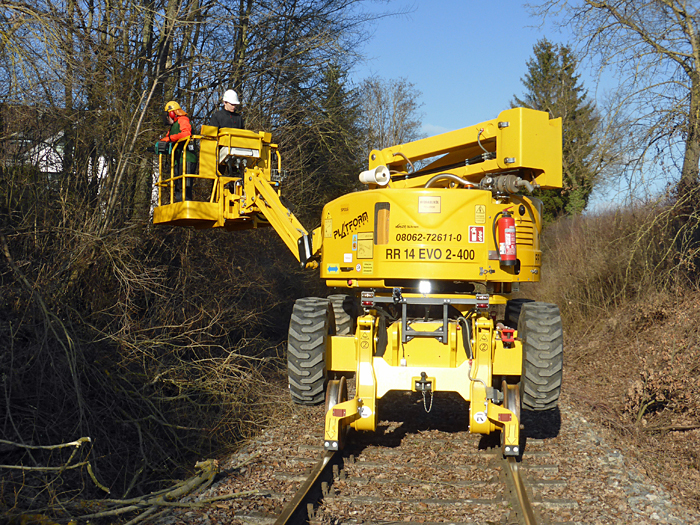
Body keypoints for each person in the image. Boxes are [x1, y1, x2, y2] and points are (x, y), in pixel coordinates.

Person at [157, 100, 196, 201]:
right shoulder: (173, 126)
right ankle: (180, 205)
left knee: (184, 186)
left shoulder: (183, 120)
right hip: (178, 159)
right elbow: (168, 137)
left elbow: (186, 133)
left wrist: (170, 139)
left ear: (172, 113)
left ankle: (185, 206)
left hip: (187, 158)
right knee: (178, 185)